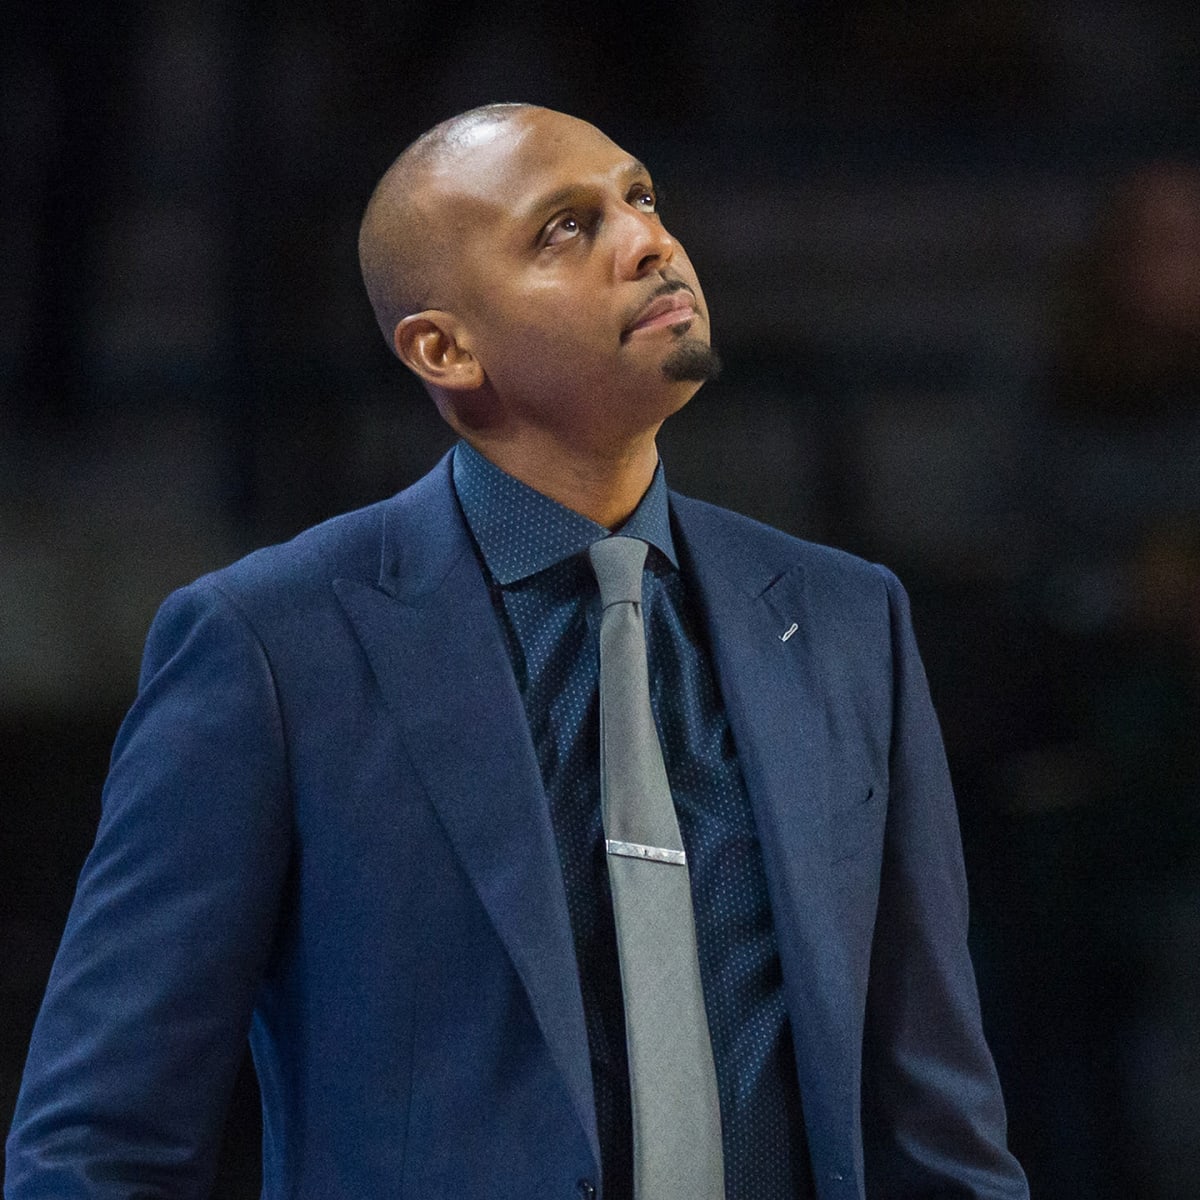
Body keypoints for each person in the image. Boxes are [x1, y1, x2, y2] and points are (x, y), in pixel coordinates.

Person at [6, 103, 1029, 1199]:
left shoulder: (843, 617)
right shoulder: (269, 644)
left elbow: (937, 1122)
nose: (649, 241)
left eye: (640, 198)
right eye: (565, 228)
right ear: (445, 349)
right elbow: (99, 1140)